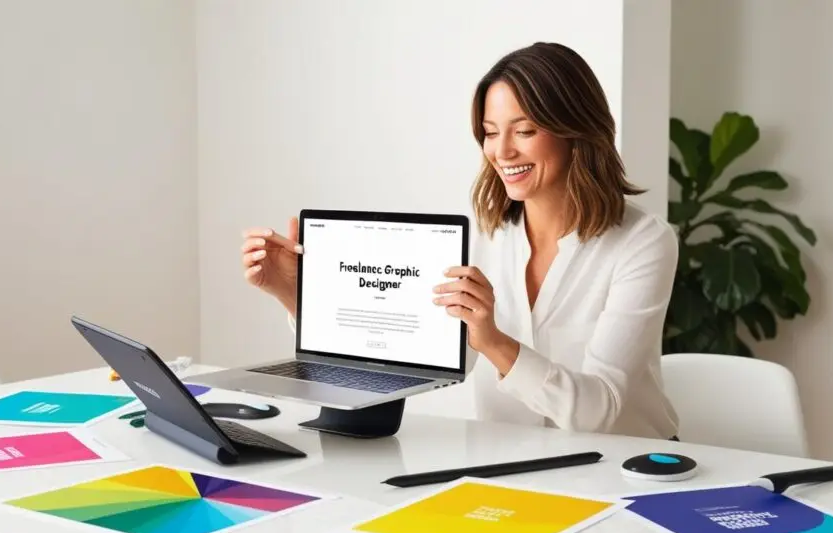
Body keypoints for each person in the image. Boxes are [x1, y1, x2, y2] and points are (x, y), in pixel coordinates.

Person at [240, 41, 679, 440]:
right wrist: (297, 297)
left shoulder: (643, 243)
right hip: (512, 465)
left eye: (524, 131)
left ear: (576, 132)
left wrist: (492, 340)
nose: (501, 152)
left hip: (628, 468)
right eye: (490, 132)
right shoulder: (482, 235)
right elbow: (406, 356)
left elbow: (597, 411)